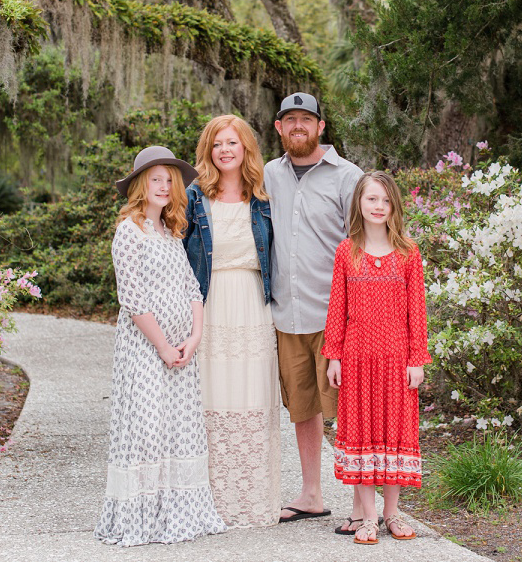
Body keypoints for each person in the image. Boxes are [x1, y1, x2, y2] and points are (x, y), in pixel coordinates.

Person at [94, 146, 227, 546]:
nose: (164, 186)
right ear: (139, 184)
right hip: (145, 352)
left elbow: (191, 287)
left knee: (177, 430)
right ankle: (141, 519)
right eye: (156, 179)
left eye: (169, 180)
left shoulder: (171, 233)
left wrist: (193, 337)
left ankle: (176, 513)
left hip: (182, 354)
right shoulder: (128, 232)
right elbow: (133, 300)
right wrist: (164, 347)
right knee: (148, 430)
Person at [263, 92, 364, 530]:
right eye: (291, 120)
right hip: (287, 315)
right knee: (303, 407)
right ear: (278, 127)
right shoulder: (268, 173)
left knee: (351, 408)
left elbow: (362, 246)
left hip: (335, 315)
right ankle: (311, 494)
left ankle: (364, 502)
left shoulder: (348, 177)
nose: (298, 126)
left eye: (307, 119)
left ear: (321, 126)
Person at [323, 170, 432, 545]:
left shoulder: (407, 253)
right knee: (362, 432)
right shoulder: (346, 252)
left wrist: (416, 358)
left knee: (394, 432)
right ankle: (368, 517)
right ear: (359, 203)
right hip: (357, 358)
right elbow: (337, 308)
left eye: (385, 200)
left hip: (396, 358)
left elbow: (416, 309)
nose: (379, 206)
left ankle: (392, 513)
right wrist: (333, 355)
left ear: (394, 206)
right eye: (372, 199)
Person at [183, 115, 281, 528]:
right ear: (208, 151)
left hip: (254, 307)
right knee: (210, 399)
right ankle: (208, 502)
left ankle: (253, 501)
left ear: (246, 149)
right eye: (217, 143)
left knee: (253, 399)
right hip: (210, 305)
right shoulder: (193, 197)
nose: (225, 150)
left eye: (233, 143)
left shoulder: (264, 196)